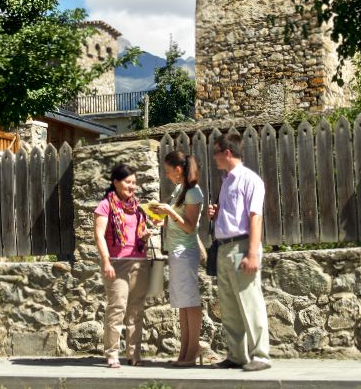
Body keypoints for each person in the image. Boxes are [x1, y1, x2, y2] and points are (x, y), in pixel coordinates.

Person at [207, 132, 271, 371]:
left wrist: (252, 253)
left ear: (226, 152)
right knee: (230, 305)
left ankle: (261, 355)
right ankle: (236, 355)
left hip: (242, 245)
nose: (213, 158)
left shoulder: (249, 179)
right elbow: (234, 215)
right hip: (224, 247)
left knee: (250, 301)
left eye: (215, 152)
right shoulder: (226, 181)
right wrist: (216, 215)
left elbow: (255, 217)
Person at [93, 163, 156, 368]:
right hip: (117, 263)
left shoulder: (137, 207)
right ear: (116, 182)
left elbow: (139, 235)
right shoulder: (106, 205)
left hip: (139, 261)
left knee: (136, 310)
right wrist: (105, 261)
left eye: (134, 183)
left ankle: (133, 354)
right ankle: (112, 354)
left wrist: (145, 236)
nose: (132, 187)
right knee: (117, 308)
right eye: (128, 182)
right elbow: (99, 235)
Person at [153, 151, 205, 367]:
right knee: (183, 303)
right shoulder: (179, 190)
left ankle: (193, 350)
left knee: (190, 302)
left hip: (186, 252)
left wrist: (170, 213)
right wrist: (162, 221)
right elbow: (179, 222)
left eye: (167, 171)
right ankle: (185, 350)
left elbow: (190, 227)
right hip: (176, 251)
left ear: (179, 169)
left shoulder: (193, 192)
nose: (166, 175)